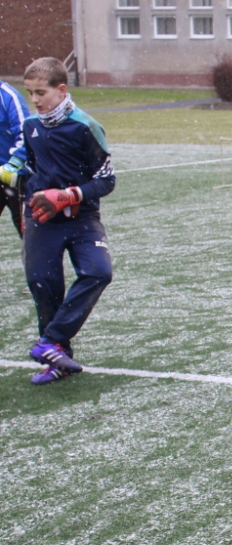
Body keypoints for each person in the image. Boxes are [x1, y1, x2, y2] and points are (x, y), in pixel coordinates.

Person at [20, 56, 115, 385]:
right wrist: (28, 200)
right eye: (30, 93)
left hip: (82, 218)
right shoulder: (30, 127)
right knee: (44, 284)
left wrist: (69, 195)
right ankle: (58, 360)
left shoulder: (84, 127)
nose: (35, 100)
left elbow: (106, 180)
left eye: (41, 93)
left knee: (99, 272)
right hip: (43, 221)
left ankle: (50, 341)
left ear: (61, 90)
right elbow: (31, 170)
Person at [0, 79, 30, 237]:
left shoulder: (8, 97)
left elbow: (26, 134)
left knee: (28, 232)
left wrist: (13, 164)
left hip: (16, 177)